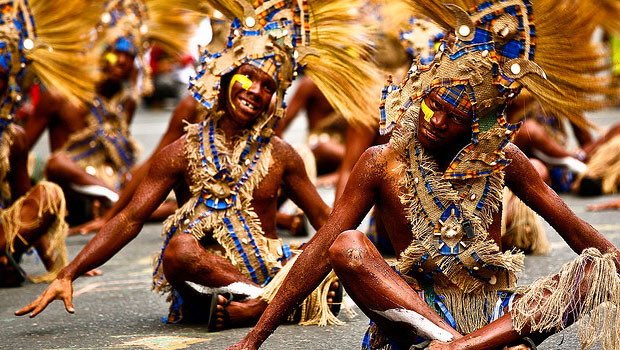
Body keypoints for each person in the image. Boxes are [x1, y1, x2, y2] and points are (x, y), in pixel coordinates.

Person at [226, 1, 620, 349]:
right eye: (433, 107)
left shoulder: (505, 158)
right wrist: (254, 338)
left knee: (592, 270)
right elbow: (320, 250)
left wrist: (614, 261)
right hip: (415, 317)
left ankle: (468, 347)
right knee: (347, 246)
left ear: (478, 125)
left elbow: (572, 227)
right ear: (422, 95)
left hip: (498, 314)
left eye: (455, 119)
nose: (436, 123)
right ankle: (459, 343)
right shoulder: (381, 161)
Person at [16, 0, 380, 330]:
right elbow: (130, 219)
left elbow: (326, 222)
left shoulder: (282, 154)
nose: (255, 90)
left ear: (275, 100)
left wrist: (349, 269)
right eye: (247, 76)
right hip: (205, 276)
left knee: (321, 253)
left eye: (267, 86)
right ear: (223, 79)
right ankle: (274, 304)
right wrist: (69, 273)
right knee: (180, 250)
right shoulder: (181, 151)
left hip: (271, 269)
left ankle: (257, 308)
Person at [23, 0, 196, 224]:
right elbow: (21, 151)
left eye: (129, 55)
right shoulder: (62, 98)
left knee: (177, 192)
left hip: (114, 184)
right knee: (58, 163)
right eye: (114, 52)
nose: (121, 61)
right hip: (73, 197)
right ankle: (121, 207)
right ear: (98, 52)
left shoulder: (127, 102)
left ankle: (118, 210)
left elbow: (122, 162)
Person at [0, 0, 103, 286]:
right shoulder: (55, 100)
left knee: (48, 196)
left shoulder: (13, 137)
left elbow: (26, 204)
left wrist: (61, 267)